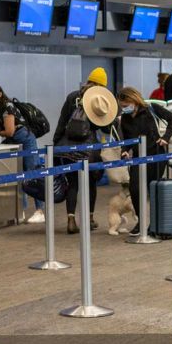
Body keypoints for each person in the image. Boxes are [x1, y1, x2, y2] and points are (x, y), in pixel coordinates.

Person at [53, 68, 115, 234]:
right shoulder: (98, 100)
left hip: (67, 148)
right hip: (89, 149)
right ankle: (89, 219)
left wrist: (55, 145)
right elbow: (107, 128)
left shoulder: (73, 96)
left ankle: (71, 220)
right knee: (91, 183)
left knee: (72, 183)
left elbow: (62, 122)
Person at [116, 87, 172, 235]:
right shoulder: (125, 118)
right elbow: (127, 139)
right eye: (122, 106)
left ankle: (155, 223)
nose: (124, 109)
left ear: (133, 100)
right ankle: (140, 221)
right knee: (135, 188)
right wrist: (124, 150)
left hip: (156, 155)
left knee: (153, 189)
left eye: (125, 105)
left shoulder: (151, 109)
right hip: (138, 157)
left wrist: (166, 138)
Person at [0, 83, 44, 225]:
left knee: (32, 173)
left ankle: (40, 211)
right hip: (13, 141)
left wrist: (1, 132)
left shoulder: (7, 106)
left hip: (25, 139)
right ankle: (20, 210)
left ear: (0, 93)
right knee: (17, 174)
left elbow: (9, 131)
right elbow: (2, 131)